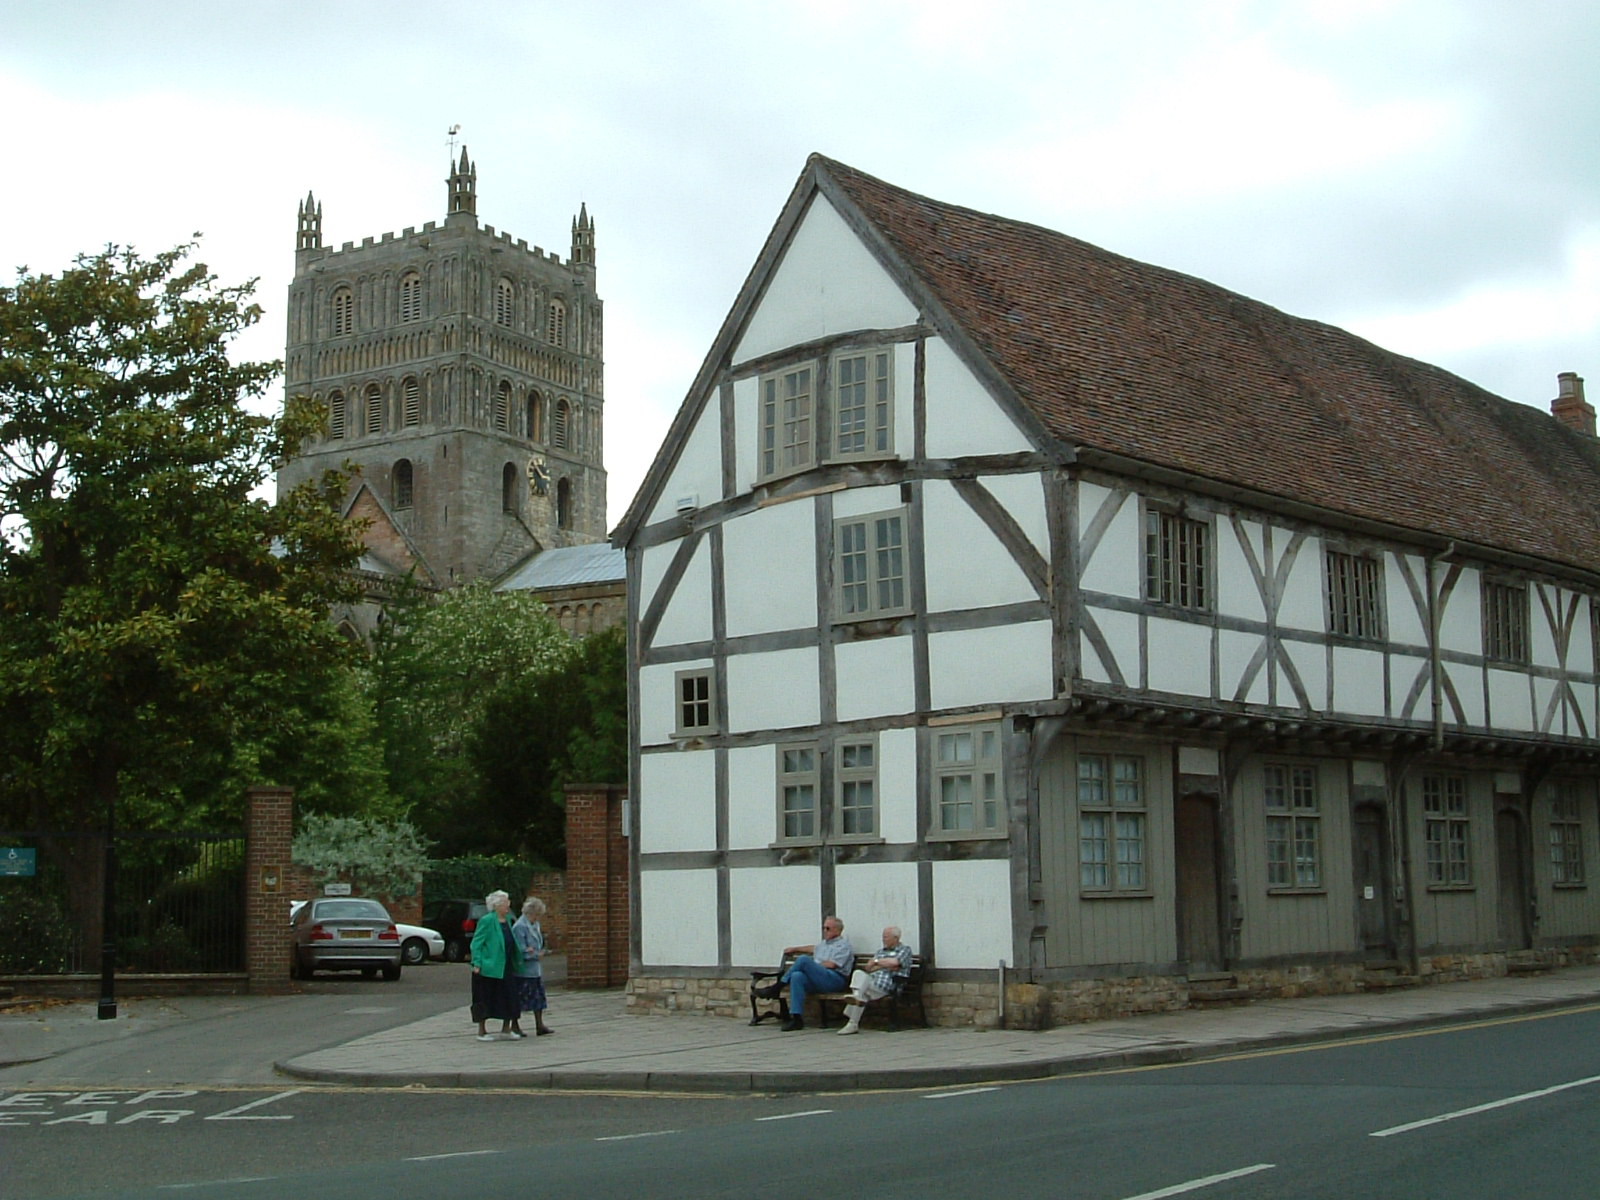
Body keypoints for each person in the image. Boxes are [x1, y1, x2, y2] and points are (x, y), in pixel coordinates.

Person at [759, 915, 854, 1031]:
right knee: (797, 976)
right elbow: (811, 948)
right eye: (824, 928)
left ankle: (778, 987)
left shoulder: (844, 945)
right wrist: (795, 949)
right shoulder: (823, 944)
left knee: (804, 960)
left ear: (838, 930)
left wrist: (811, 966)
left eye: (828, 928)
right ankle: (797, 1019)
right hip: (819, 979)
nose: (825, 931)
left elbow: (832, 965)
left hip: (835, 979)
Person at [837, 925, 913, 1035]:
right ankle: (853, 1020)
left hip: (889, 984)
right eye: (883, 937)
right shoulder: (880, 951)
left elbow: (895, 963)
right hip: (872, 982)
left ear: (896, 938)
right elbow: (869, 968)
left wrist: (877, 962)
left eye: (886, 937)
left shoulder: (904, 950)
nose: (883, 939)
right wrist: (885, 964)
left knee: (862, 990)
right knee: (858, 974)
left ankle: (854, 1011)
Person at [469, 890, 522, 1041]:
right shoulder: (487, 920)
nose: (508, 905)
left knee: (509, 996)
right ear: (497, 905)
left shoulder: (509, 920)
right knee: (485, 997)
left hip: (506, 966)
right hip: (490, 967)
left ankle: (506, 1028)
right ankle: (482, 1031)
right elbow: (477, 943)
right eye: (506, 902)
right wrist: (477, 963)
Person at [511, 895, 553, 1036]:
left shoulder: (535, 924)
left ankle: (539, 1025)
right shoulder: (520, 927)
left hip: (535, 969)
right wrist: (533, 954)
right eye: (536, 915)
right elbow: (520, 950)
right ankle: (515, 1025)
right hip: (523, 971)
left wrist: (536, 951)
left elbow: (536, 944)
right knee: (520, 998)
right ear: (529, 913)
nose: (537, 918)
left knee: (538, 998)